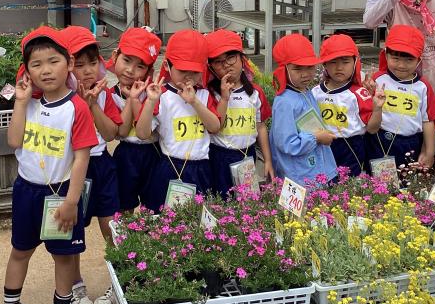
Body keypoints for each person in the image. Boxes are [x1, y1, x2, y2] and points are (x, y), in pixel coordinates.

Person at [2, 26, 97, 304]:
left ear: (69, 63)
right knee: (20, 250)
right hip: (27, 191)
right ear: (27, 71)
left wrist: (71, 202)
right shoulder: (27, 103)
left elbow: (82, 158)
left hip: (62, 193)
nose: (46, 70)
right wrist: (20, 102)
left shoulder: (76, 107)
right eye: (37, 64)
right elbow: (14, 141)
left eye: (53, 61)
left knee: (64, 255)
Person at [60, 26, 122, 304]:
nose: (87, 71)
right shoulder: (60, 97)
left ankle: (119, 282)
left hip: (101, 165)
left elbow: (110, 134)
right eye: (79, 64)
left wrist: (93, 104)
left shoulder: (104, 93)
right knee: (72, 230)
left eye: (93, 63)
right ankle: (75, 286)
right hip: (73, 169)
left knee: (112, 227)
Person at [135, 29, 221, 212]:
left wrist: (195, 102)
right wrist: (150, 101)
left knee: (198, 219)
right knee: (163, 218)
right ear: (167, 65)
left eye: (195, 72)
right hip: (170, 165)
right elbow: (142, 133)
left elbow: (214, 127)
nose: (188, 77)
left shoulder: (204, 95)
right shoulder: (161, 95)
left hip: (201, 167)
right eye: (182, 70)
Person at [205, 29, 273, 197]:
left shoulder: (255, 93)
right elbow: (215, 126)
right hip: (219, 155)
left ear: (242, 58)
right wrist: (224, 98)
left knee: (247, 200)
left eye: (231, 57)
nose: (226, 64)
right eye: (218, 61)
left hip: (247, 155)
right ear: (211, 67)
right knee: (222, 200)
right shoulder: (210, 94)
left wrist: (268, 160)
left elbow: (260, 127)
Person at [365, 25, 435, 170]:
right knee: (376, 180)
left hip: (411, 143)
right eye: (395, 58)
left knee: (407, 179)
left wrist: (429, 152)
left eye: (409, 60)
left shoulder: (423, 87)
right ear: (386, 55)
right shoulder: (378, 79)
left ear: (418, 60)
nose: (401, 65)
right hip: (379, 140)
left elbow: (428, 121)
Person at [268, 33, 338, 185]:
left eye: (310, 67)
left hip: (316, 169)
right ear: (284, 69)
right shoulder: (285, 102)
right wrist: (317, 138)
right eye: (298, 69)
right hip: (299, 176)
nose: (305, 74)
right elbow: (287, 143)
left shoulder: (305, 91)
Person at [109, 27, 163, 213]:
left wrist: (134, 100)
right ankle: (125, 232)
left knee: (154, 205)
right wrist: (130, 100)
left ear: (149, 71)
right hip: (125, 153)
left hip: (153, 151)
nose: (130, 70)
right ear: (115, 56)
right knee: (124, 204)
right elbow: (120, 132)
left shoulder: (154, 94)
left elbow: (145, 130)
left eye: (140, 66)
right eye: (126, 60)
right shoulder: (109, 94)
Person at [311, 34, 372, 176]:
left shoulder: (359, 93)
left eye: (345, 62)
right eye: (333, 62)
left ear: (355, 62)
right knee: (324, 180)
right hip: (323, 143)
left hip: (350, 145)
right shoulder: (315, 92)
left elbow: (372, 127)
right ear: (324, 64)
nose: (339, 67)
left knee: (349, 182)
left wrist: (377, 107)